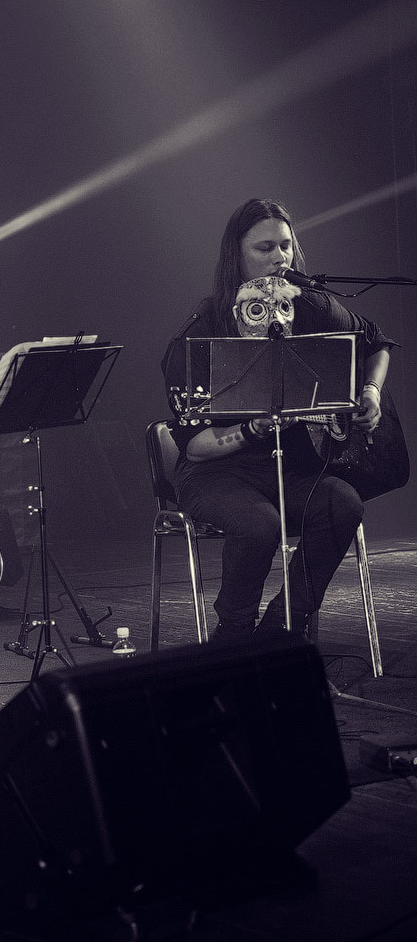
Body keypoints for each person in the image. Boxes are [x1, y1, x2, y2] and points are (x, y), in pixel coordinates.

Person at [161, 197, 395, 641]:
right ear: (236, 255)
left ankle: (283, 627)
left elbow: (377, 341)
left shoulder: (311, 305)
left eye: (285, 246)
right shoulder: (202, 327)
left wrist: (370, 391)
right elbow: (195, 446)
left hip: (292, 468)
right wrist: (254, 429)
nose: (279, 258)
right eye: (264, 248)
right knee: (260, 525)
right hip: (218, 474)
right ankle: (233, 635)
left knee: (342, 503)